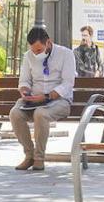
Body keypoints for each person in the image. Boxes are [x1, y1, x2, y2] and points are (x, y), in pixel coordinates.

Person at [9, 26, 76, 171]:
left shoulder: (66, 54)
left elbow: (67, 84)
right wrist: (25, 91)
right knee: (15, 114)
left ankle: (39, 158)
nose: (35, 53)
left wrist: (46, 96)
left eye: (38, 50)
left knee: (41, 113)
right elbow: (24, 80)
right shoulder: (28, 56)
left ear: (48, 43)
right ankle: (29, 155)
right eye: (33, 50)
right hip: (34, 100)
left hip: (59, 101)